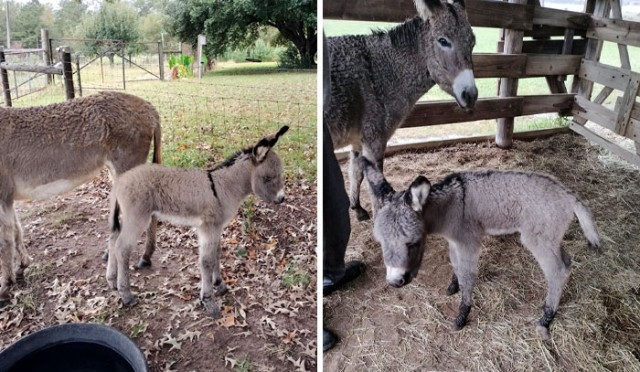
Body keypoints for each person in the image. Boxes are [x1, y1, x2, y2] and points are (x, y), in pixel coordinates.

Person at [322, 32, 365, 352]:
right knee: (329, 205)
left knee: (336, 206)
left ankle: (331, 273)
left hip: (318, 112)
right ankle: (318, 319)